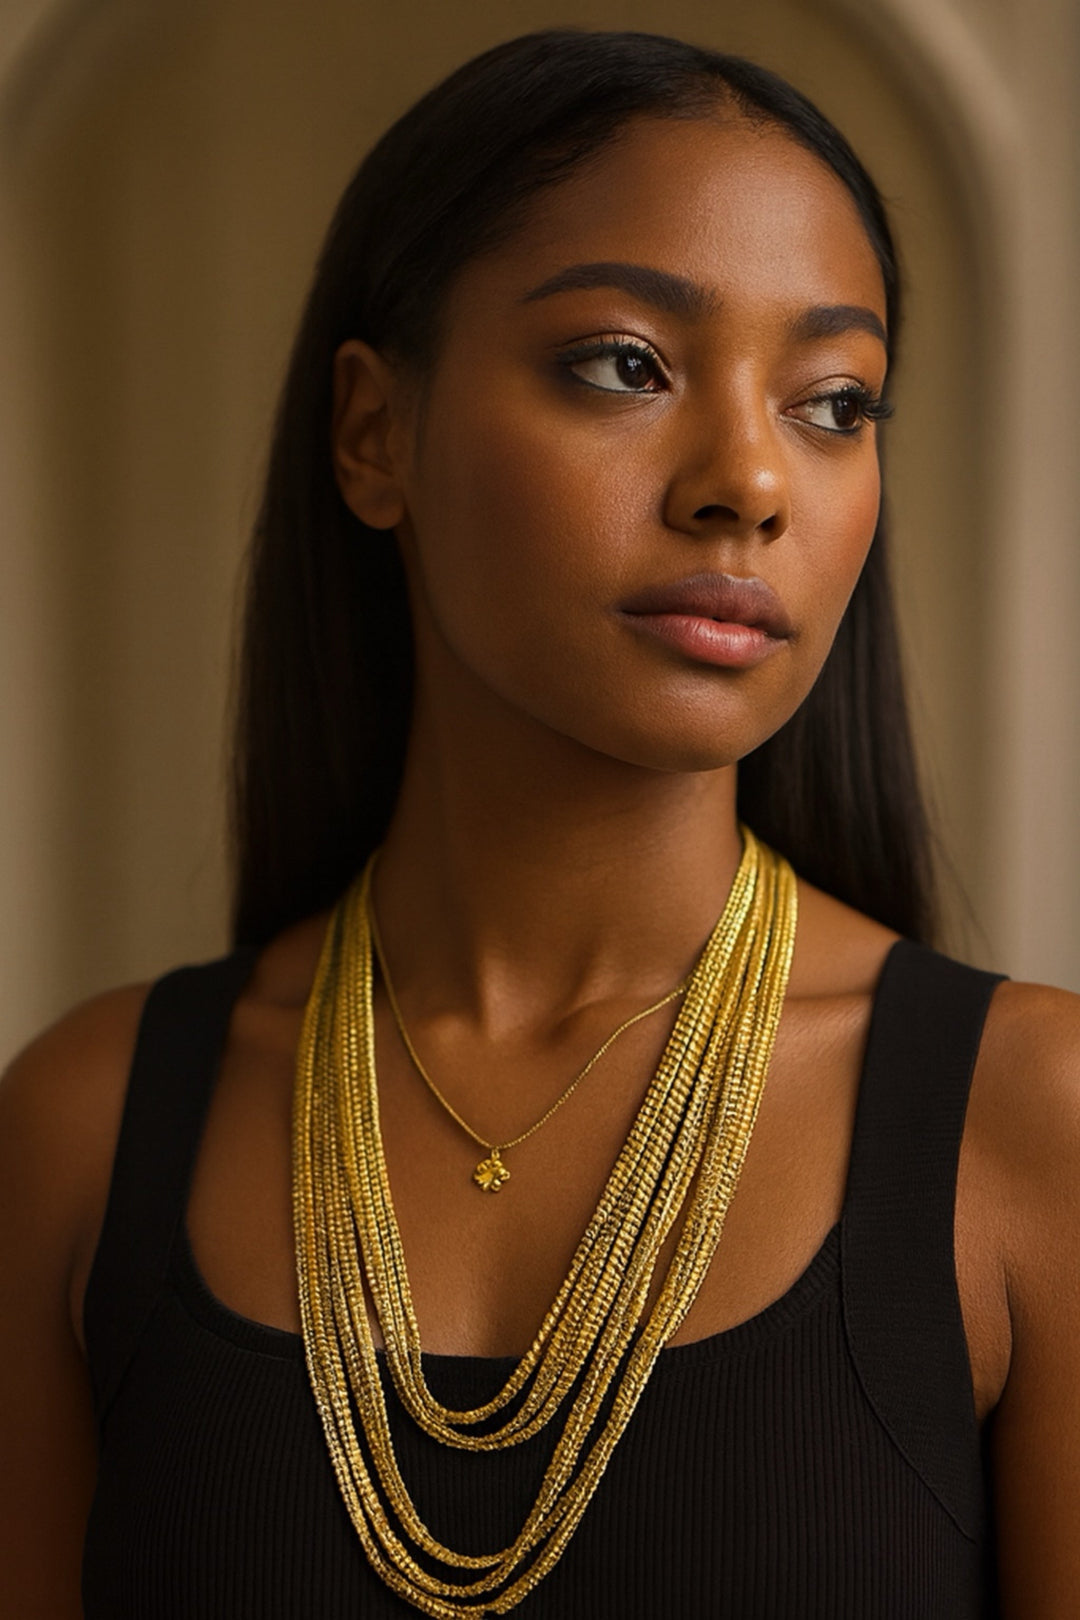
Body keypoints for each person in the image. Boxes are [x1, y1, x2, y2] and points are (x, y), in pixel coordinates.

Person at [1, 27, 1078, 1619]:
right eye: (625, 363)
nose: (748, 480)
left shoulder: (1030, 1125)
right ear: (375, 434)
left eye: (834, 401)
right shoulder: (86, 1130)